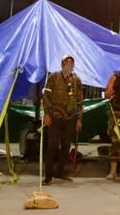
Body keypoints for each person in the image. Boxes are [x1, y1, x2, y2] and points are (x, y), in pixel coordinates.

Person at [41, 54, 84, 185]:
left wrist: (79, 119)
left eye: (71, 62)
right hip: (55, 117)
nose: (69, 64)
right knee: (52, 146)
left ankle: (60, 171)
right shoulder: (53, 77)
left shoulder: (76, 80)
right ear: (62, 64)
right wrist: (47, 114)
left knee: (65, 146)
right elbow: (46, 97)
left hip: (70, 118)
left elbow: (80, 100)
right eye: (66, 62)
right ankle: (48, 175)